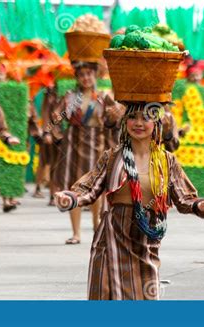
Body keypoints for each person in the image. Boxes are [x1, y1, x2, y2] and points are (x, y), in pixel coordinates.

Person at [55, 103, 204, 299]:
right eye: (132, 117)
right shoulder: (112, 156)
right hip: (111, 238)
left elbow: (184, 199)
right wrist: (69, 198)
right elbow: (89, 188)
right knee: (105, 298)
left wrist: (200, 205)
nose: (138, 123)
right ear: (125, 122)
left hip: (146, 241)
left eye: (145, 118)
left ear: (156, 123)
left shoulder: (166, 161)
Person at [52, 61, 120, 245]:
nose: (86, 78)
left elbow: (114, 121)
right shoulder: (71, 96)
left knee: (95, 187)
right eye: (82, 75)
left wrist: (114, 115)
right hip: (72, 145)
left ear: (95, 76)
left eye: (89, 74)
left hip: (96, 145)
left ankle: (96, 223)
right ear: (77, 78)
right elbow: (57, 116)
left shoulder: (103, 97)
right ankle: (76, 233)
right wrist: (57, 123)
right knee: (73, 187)